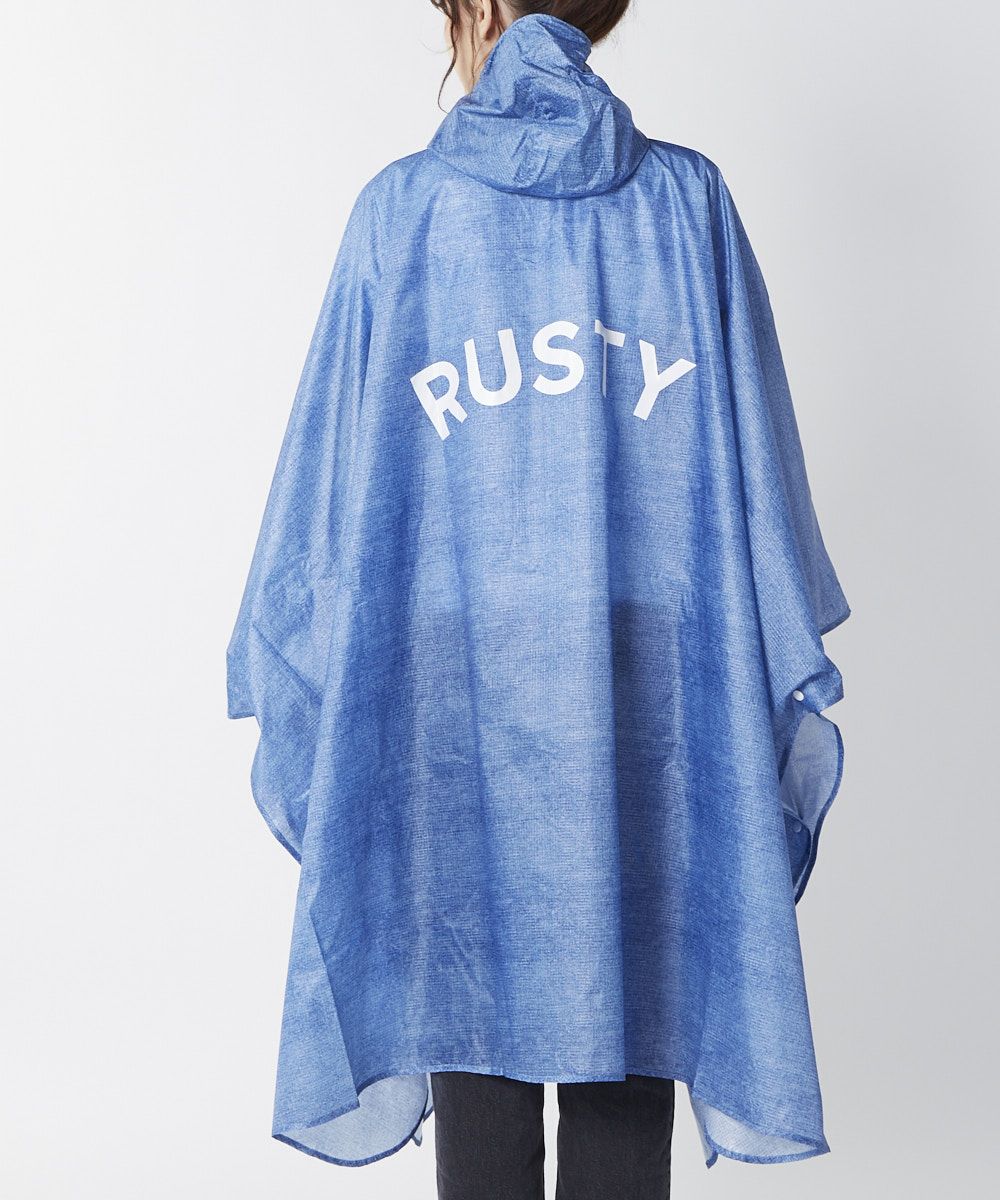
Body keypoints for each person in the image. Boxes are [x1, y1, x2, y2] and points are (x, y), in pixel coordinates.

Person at [225, 2, 851, 1197]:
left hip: (453, 675)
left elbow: (328, 516)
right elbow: (757, 503)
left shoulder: (402, 213)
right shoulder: (686, 204)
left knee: (468, 1001)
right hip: (650, 675)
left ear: (477, 10)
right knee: (636, 998)